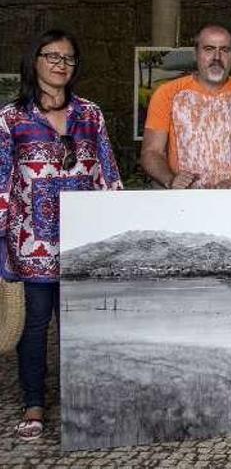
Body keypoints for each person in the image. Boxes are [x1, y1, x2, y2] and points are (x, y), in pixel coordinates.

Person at [0, 29, 123, 440]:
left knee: (82, 326)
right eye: (52, 56)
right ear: (33, 61)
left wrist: (116, 231)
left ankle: (81, 401)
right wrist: (1, 244)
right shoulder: (11, 119)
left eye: (69, 58)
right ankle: (33, 404)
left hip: (84, 245)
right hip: (30, 245)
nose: (60, 64)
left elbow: (108, 176)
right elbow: (1, 185)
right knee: (34, 326)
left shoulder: (91, 115)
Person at [140, 23, 231, 189]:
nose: (217, 57)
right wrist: (171, 180)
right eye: (209, 49)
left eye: (224, 50)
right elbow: (151, 152)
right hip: (182, 200)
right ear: (196, 54)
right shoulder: (167, 93)